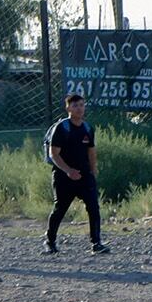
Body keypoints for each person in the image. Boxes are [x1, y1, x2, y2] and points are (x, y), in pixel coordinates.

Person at [44, 93, 106, 254]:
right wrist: (68, 171)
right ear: (68, 108)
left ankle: (96, 243)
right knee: (60, 209)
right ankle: (50, 241)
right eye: (75, 105)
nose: (79, 108)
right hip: (64, 176)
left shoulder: (87, 128)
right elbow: (54, 154)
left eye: (81, 105)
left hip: (84, 176)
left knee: (93, 207)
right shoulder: (62, 128)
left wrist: (93, 172)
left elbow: (91, 152)